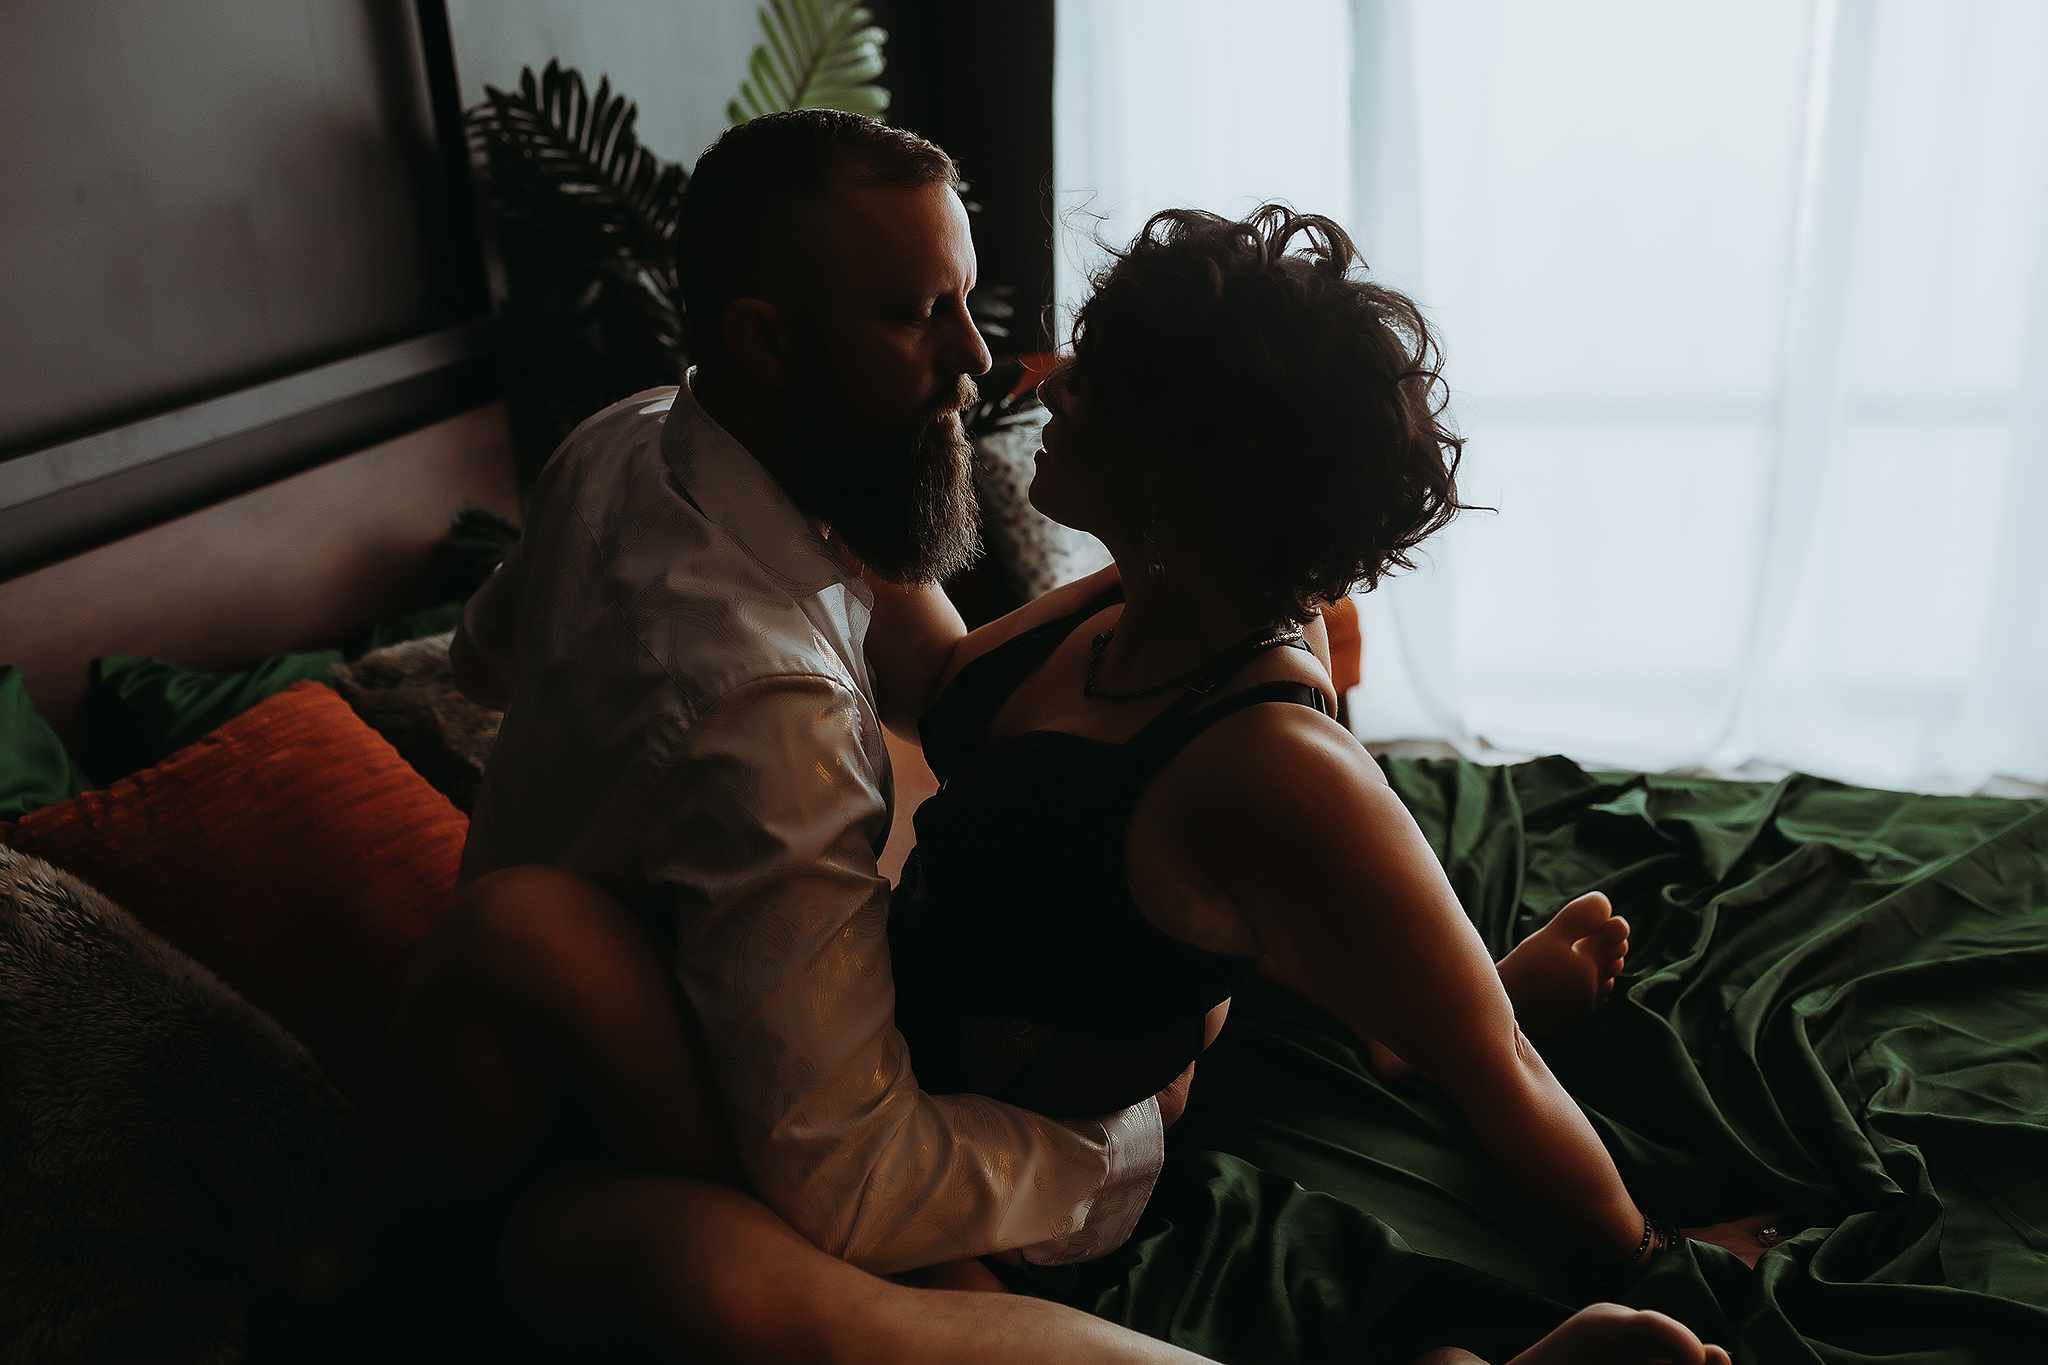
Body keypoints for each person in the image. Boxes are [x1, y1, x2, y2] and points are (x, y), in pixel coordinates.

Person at [297, 110, 1751, 1364]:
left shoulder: (1279, 763)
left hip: (1031, 1149)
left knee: (652, 1263)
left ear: (1183, 487)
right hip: (979, 1042)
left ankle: (1405, 1028)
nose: (1025, 370)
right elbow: (928, 670)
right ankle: (1374, 1024)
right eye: (936, 317)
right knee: (575, 1230)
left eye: (1091, 374)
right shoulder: (1103, 607)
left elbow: (1495, 1065)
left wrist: (1647, 1249)